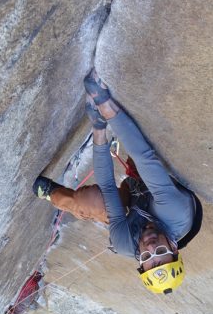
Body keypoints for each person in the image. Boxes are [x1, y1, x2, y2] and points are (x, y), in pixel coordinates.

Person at [33, 69, 201, 294]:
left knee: (89, 202)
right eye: (161, 254)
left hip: (131, 201)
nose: (151, 247)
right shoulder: (176, 214)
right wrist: (105, 106)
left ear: (139, 263)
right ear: (174, 248)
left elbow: (108, 188)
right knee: (143, 152)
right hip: (153, 186)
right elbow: (144, 157)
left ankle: (53, 194)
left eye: (148, 258)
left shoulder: (124, 244)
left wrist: (99, 130)